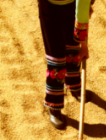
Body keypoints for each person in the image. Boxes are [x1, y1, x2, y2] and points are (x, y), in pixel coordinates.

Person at [37, 0, 92, 130]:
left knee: (73, 45)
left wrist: (83, 45)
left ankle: (73, 83)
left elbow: (83, 10)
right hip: (48, 7)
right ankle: (53, 106)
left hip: (73, 6)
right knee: (56, 59)